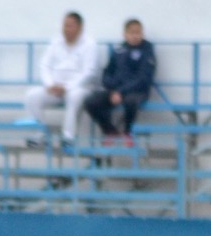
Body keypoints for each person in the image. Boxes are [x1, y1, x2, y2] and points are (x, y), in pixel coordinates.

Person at [20, 12, 98, 144]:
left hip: (80, 88)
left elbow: (89, 72)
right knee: (31, 95)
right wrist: (50, 84)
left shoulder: (89, 44)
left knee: (74, 97)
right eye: (65, 25)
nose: (66, 29)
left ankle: (68, 136)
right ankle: (40, 134)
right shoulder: (56, 42)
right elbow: (44, 65)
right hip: (55, 88)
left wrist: (67, 87)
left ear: (80, 28)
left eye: (70, 26)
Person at [85, 19, 156, 141]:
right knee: (90, 101)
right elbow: (107, 73)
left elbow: (143, 78)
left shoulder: (147, 51)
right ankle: (110, 131)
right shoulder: (119, 50)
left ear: (142, 33)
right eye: (131, 32)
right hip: (115, 91)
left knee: (130, 101)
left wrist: (120, 91)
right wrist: (112, 90)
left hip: (136, 92)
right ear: (125, 34)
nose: (135, 36)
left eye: (138, 32)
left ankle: (127, 132)